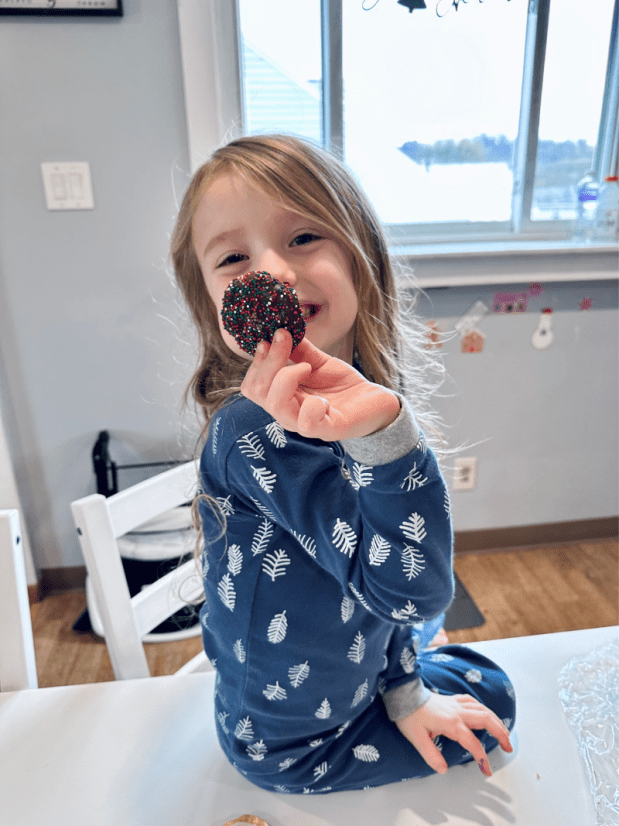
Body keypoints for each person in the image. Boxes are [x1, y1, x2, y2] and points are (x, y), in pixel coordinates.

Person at [170, 134, 515, 795]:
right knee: (495, 697)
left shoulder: (350, 401)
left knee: (477, 680)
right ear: (211, 303)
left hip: (362, 682)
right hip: (295, 746)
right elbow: (409, 595)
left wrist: (406, 689)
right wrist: (390, 440)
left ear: (362, 259)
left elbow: (397, 600)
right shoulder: (252, 432)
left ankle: (400, 681)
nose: (269, 270)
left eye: (304, 237)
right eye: (234, 256)